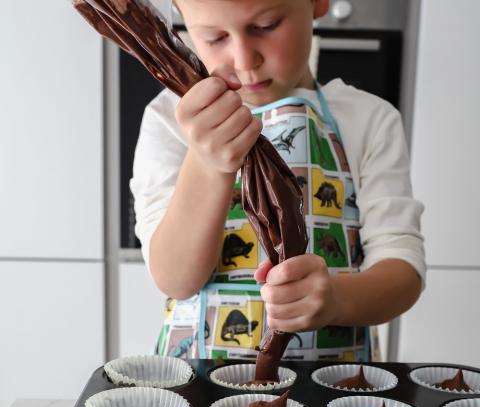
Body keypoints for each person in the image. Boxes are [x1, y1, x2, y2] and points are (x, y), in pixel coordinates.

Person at [130, 0, 426, 362]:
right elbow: (176, 279)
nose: (243, 60)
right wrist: (208, 164)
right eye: (214, 36)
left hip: (332, 390)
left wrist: (335, 300)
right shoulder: (170, 121)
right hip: (198, 390)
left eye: (267, 25)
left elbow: (402, 273)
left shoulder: (370, 121)